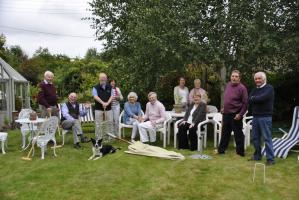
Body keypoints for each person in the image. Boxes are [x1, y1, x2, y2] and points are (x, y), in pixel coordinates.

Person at [217, 70, 248, 157]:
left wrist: (240, 114)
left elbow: (245, 104)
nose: (234, 78)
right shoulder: (228, 85)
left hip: (236, 115)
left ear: (239, 78)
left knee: (238, 134)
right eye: (232, 76)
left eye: (236, 76)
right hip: (226, 114)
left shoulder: (242, 88)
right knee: (225, 134)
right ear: (230, 77)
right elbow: (227, 99)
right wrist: (224, 108)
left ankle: (240, 153)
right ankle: (221, 151)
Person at [248, 72, 275, 165]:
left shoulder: (269, 88)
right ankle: (257, 156)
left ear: (264, 79)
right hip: (255, 117)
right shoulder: (255, 90)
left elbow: (262, 98)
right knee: (255, 138)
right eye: (256, 79)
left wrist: (254, 98)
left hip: (265, 117)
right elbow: (249, 99)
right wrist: (255, 98)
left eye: (259, 78)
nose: (257, 80)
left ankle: (270, 159)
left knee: (267, 138)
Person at [92, 73, 113, 139]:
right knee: (98, 124)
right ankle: (98, 137)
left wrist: (107, 103)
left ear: (106, 79)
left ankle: (109, 136)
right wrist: (102, 103)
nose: (103, 79)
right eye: (101, 78)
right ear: (99, 78)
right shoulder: (95, 87)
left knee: (109, 122)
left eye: (104, 78)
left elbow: (112, 96)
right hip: (98, 108)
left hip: (108, 108)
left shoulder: (110, 87)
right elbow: (95, 96)